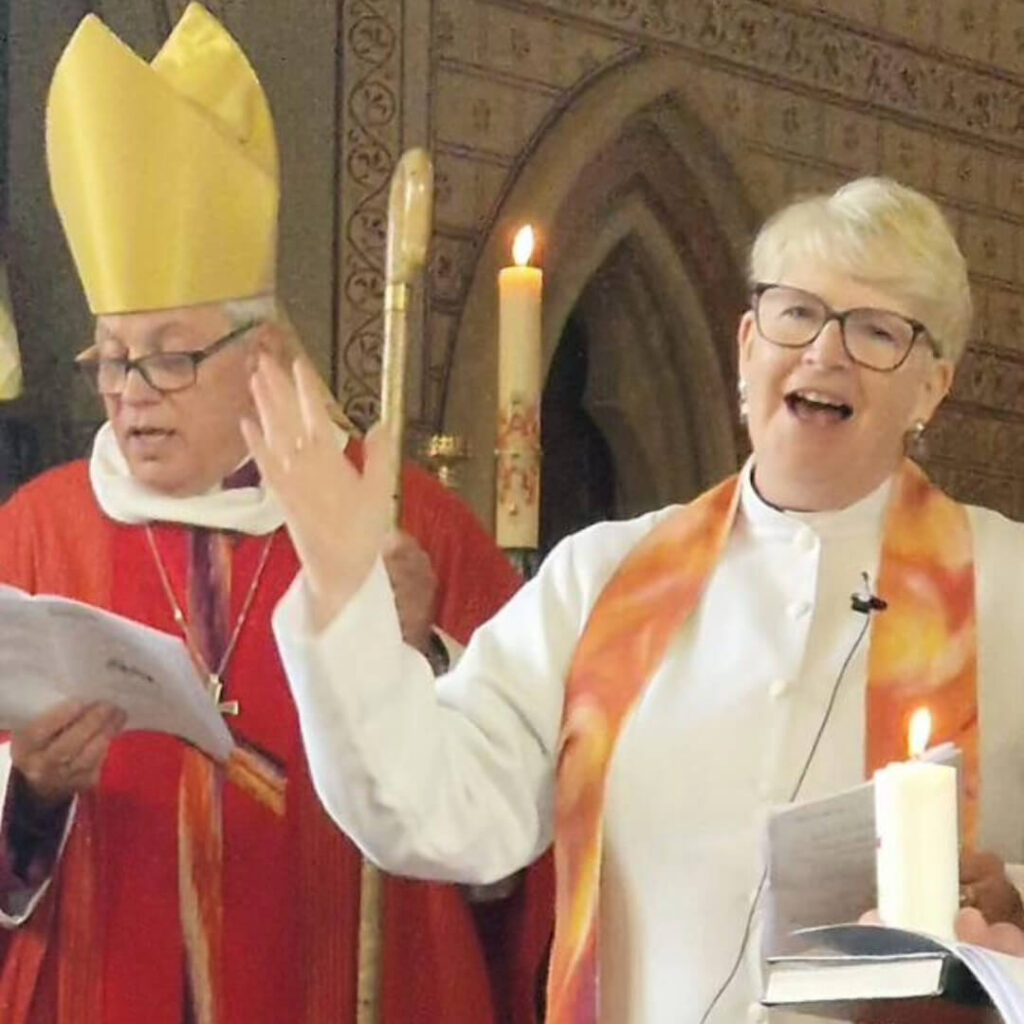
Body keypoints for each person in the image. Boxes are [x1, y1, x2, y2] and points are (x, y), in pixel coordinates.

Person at [249, 175, 1024, 1023]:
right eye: (796, 313)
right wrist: (339, 592)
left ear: (931, 388)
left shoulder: (1006, 582)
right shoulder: (607, 575)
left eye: (876, 331)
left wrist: (1014, 900)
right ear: (745, 346)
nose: (823, 352)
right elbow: (438, 808)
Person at [0, 5, 551, 1022]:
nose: (131, 392)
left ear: (261, 360)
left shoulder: (398, 522)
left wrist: (421, 655)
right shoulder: (33, 535)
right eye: (113, 358)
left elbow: (516, 839)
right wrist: (26, 796)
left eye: (170, 356)